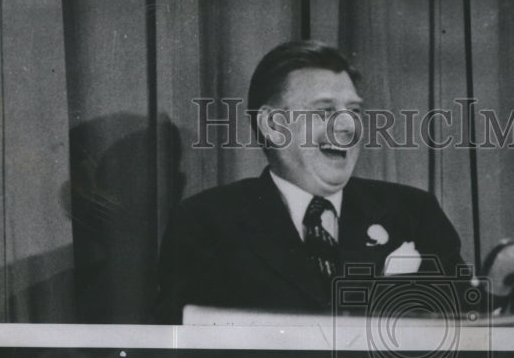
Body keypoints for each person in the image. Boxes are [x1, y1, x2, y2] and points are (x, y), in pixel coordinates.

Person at [153, 41, 466, 323]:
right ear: (274, 125)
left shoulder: (413, 213)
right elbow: (183, 357)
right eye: (325, 111)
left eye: (354, 111)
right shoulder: (205, 224)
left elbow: (472, 331)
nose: (348, 127)